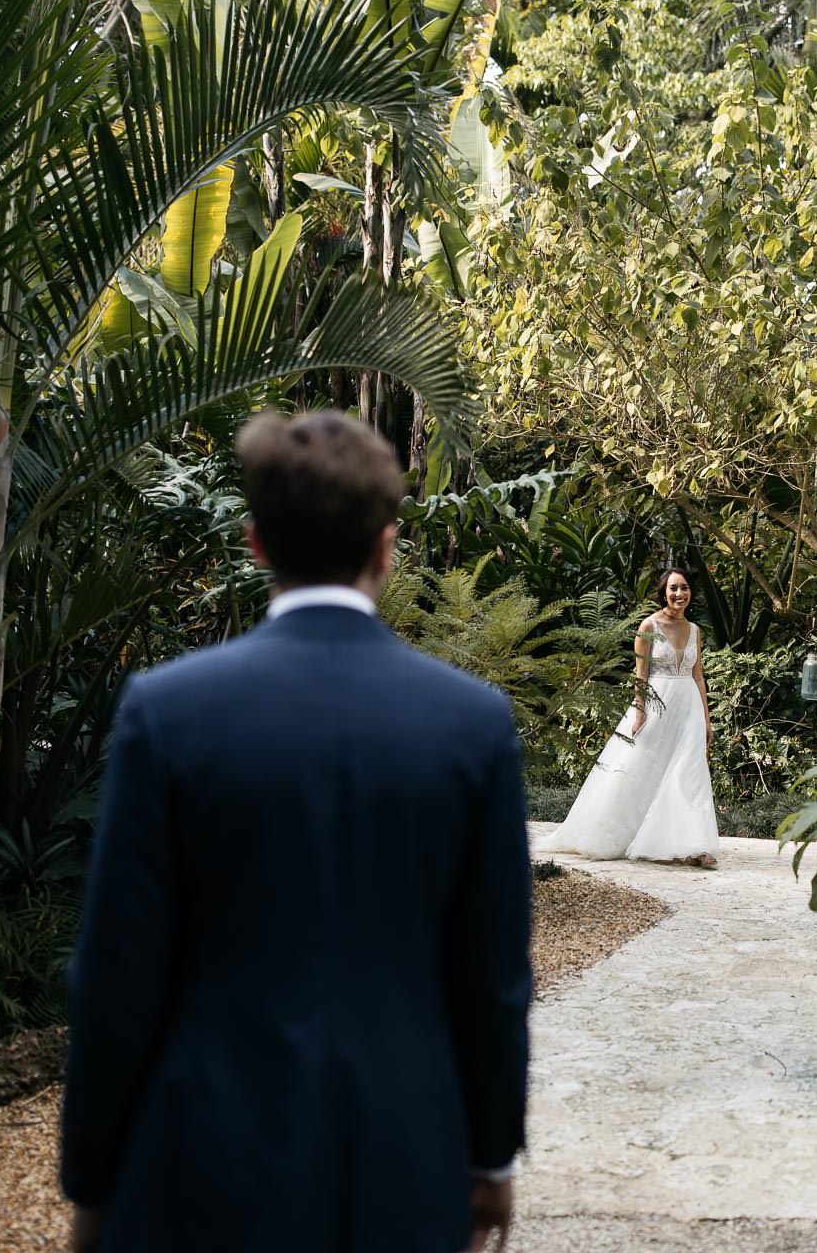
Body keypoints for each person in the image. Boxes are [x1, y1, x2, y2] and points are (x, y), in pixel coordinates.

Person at [60, 412, 531, 1253]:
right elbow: (492, 978)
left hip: (205, 1160)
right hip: (405, 1160)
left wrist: (92, 1182)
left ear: (255, 543)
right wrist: (490, 1157)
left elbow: (115, 977)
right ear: (387, 547)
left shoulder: (167, 713)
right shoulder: (471, 725)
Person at [537, 566, 721, 868]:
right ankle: (618, 832)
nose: (679, 594)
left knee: (688, 773)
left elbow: (698, 677)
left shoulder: (695, 631)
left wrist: (707, 718)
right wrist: (639, 711)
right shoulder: (648, 626)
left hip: (689, 708)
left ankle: (695, 846)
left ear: (691, 593)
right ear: (663, 592)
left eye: (684, 588)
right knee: (640, 767)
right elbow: (641, 675)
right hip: (657, 705)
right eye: (673, 588)